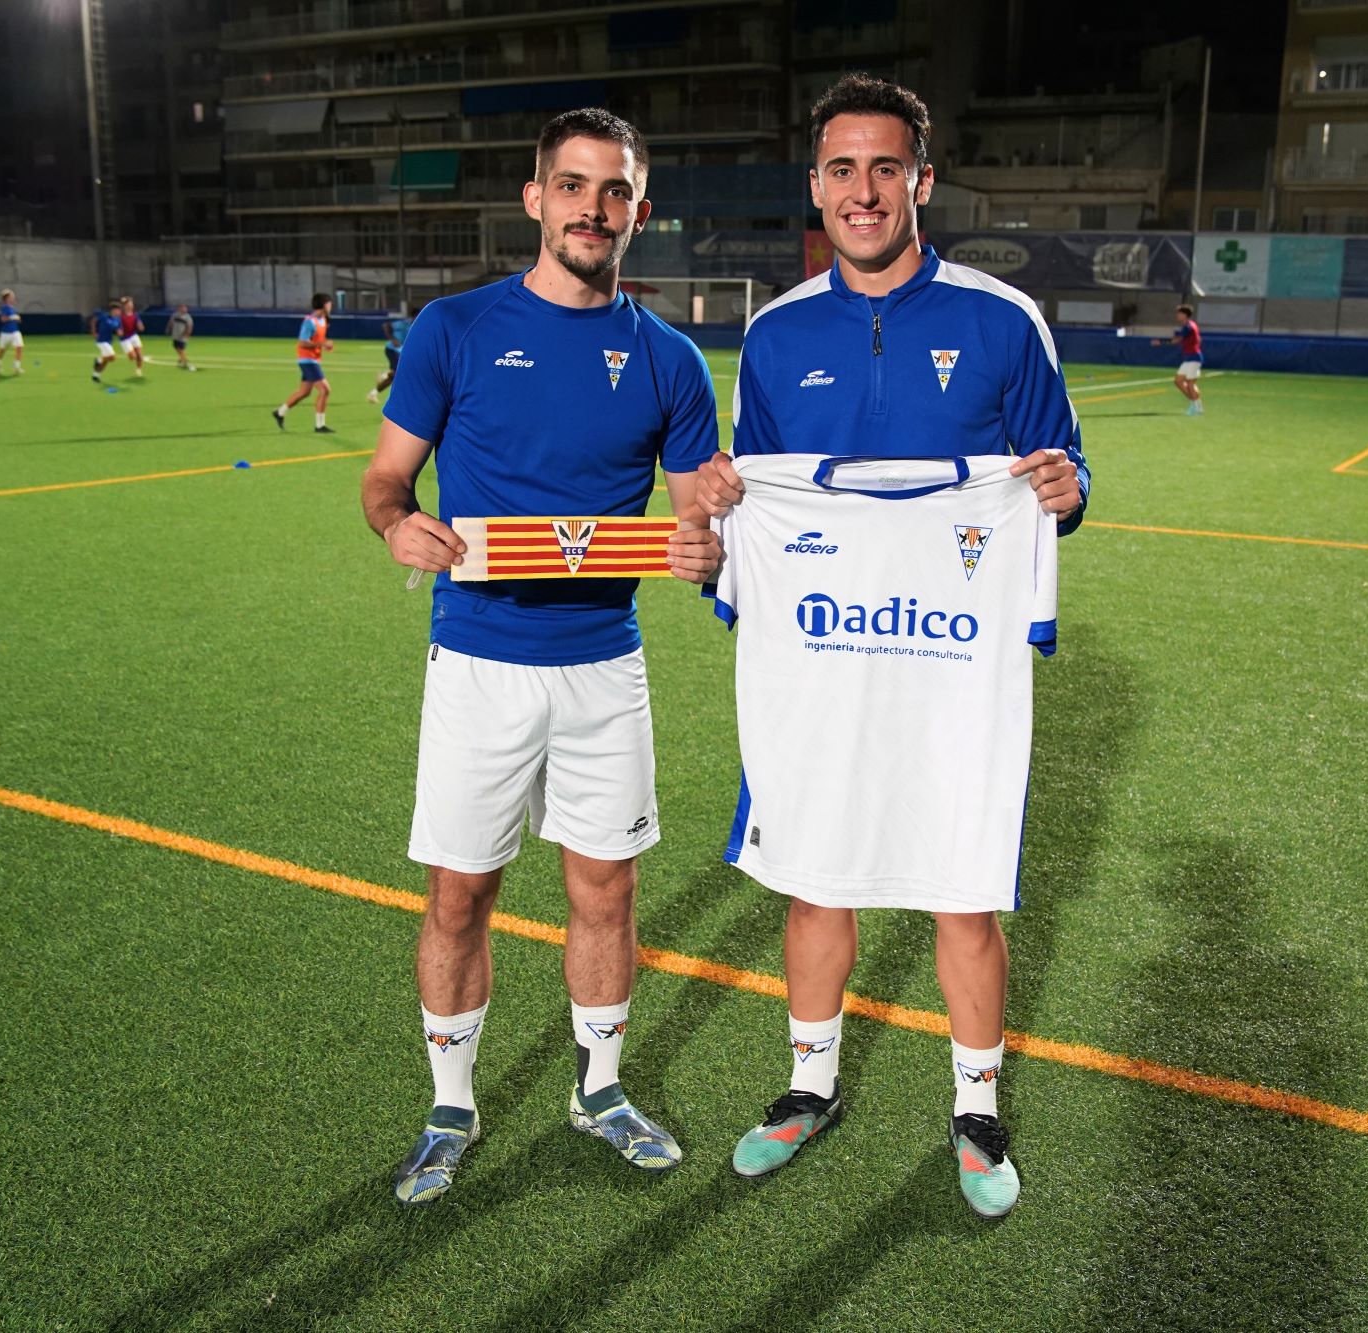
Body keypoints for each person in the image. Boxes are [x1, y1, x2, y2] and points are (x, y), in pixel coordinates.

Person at [692, 74, 1087, 1219]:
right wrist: (720, 512)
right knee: (814, 879)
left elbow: (1060, 476)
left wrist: (1062, 492)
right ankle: (808, 1085)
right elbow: (749, 503)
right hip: (822, 664)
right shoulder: (774, 335)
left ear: (921, 179)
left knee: (961, 890)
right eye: (840, 169)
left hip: (948, 667)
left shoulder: (1002, 322)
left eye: (883, 167)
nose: (861, 191)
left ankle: (975, 1107)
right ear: (814, 187)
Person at [359, 107, 723, 1205]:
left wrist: (705, 543)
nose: (591, 209)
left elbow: (697, 516)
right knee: (459, 893)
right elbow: (384, 480)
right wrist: (397, 525)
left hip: (605, 665)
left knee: (605, 890)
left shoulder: (669, 358)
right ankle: (450, 1105)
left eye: (614, 192)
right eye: (572, 186)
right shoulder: (455, 328)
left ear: (639, 211)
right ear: (534, 199)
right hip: (478, 661)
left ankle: (599, 1090)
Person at [274, 293, 335, 432]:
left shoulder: (323, 320)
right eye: (329, 304)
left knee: (304, 392)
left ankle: (280, 412)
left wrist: (325, 344)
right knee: (325, 390)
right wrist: (322, 344)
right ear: (324, 305)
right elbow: (302, 342)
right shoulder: (309, 321)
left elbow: (317, 340)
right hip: (307, 360)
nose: (331, 307)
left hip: (314, 360)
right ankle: (319, 425)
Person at [1152, 303, 1203, 416]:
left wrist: (1160, 342)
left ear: (1185, 315)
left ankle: (1197, 407)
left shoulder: (1188, 326)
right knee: (1178, 381)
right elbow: (1198, 339)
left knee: (1190, 383)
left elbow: (1177, 340)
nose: (1177, 316)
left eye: (1179, 314)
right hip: (1189, 358)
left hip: (1194, 358)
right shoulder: (1191, 325)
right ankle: (1194, 402)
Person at [367, 316, 401, 404]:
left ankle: (373, 393)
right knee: (396, 373)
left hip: (401, 351)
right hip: (393, 350)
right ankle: (384, 375)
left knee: (394, 377)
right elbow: (386, 325)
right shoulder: (404, 323)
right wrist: (392, 338)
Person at [0, 288, 25, 376]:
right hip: (5, 333)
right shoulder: (4, 308)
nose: (13, 298)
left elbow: (17, 320)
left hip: (15, 332)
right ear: (7, 298)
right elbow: (2, 319)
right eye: (11, 297)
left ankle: (16, 367)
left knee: (19, 348)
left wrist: (18, 318)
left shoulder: (12, 308)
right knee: (2, 350)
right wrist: (12, 317)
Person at [91, 299, 122, 383]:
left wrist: (119, 332)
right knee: (112, 357)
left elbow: (118, 329)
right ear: (113, 310)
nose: (119, 312)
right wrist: (94, 332)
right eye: (118, 310)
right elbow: (94, 320)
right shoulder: (104, 316)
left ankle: (96, 375)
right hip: (101, 340)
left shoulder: (117, 320)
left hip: (109, 341)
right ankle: (98, 360)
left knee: (106, 361)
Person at [118, 297, 145, 376]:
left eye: (131, 304)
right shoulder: (121, 316)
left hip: (133, 336)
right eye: (128, 304)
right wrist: (119, 330)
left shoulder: (135, 315)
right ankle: (135, 357)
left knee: (139, 354)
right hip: (125, 338)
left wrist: (140, 326)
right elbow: (117, 325)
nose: (130, 306)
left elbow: (139, 323)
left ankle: (138, 369)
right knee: (132, 357)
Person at [166, 304, 195, 370]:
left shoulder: (188, 317)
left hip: (182, 335)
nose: (184, 309)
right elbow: (171, 322)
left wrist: (187, 334)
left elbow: (190, 326)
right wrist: (168, 329)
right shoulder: (175, 315)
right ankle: (181, 358)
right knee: (175, 346)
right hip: (175, 334)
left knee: (181, 348)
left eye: (185, 308)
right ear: (179, 309)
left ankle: (185, 361)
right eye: (182, 308)